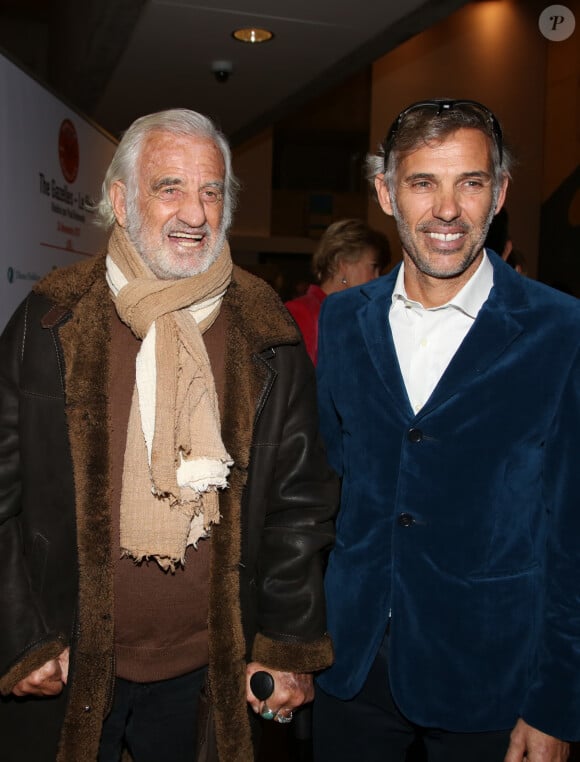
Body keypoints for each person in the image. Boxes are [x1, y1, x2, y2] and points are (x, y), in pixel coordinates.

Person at [0, 108, 338, 762]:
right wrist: (19, 637)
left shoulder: (266, 331)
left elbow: (301, 506)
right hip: (70, 662)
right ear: (122, 201)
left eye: (212, 191)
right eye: (170, 188)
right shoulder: (48, 321)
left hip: (209, 669)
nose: (195, 212)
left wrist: (285, 647)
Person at [313, 98, 580, 762]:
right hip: (351, 666)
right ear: (385, 191)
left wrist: (558, 701)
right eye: (423, 181)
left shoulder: (561, 330)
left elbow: (573, 533)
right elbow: (321, 493)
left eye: (472, 181)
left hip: (492, 675)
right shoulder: (344, 321)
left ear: (500, 194)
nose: (447, 208)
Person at [285, 218, 390, 363]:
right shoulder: (299, 314)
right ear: (343, 264)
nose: (377, 278)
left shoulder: (365, 317)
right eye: (373, 267)